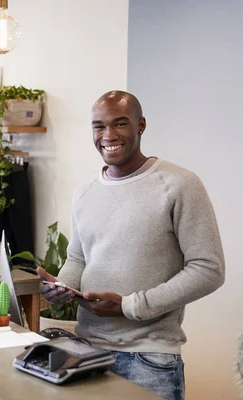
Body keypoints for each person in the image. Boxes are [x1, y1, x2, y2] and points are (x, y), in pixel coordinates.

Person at [37, 90, 225, 400]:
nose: (108, 135)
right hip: (85, 353)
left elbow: (209, 269)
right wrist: (61, 287)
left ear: (141, 125)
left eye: (120, 124)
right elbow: (78, 258)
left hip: (149, 359)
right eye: (99, 126)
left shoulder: (180, 184)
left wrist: (129, 306)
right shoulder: (84, 193)